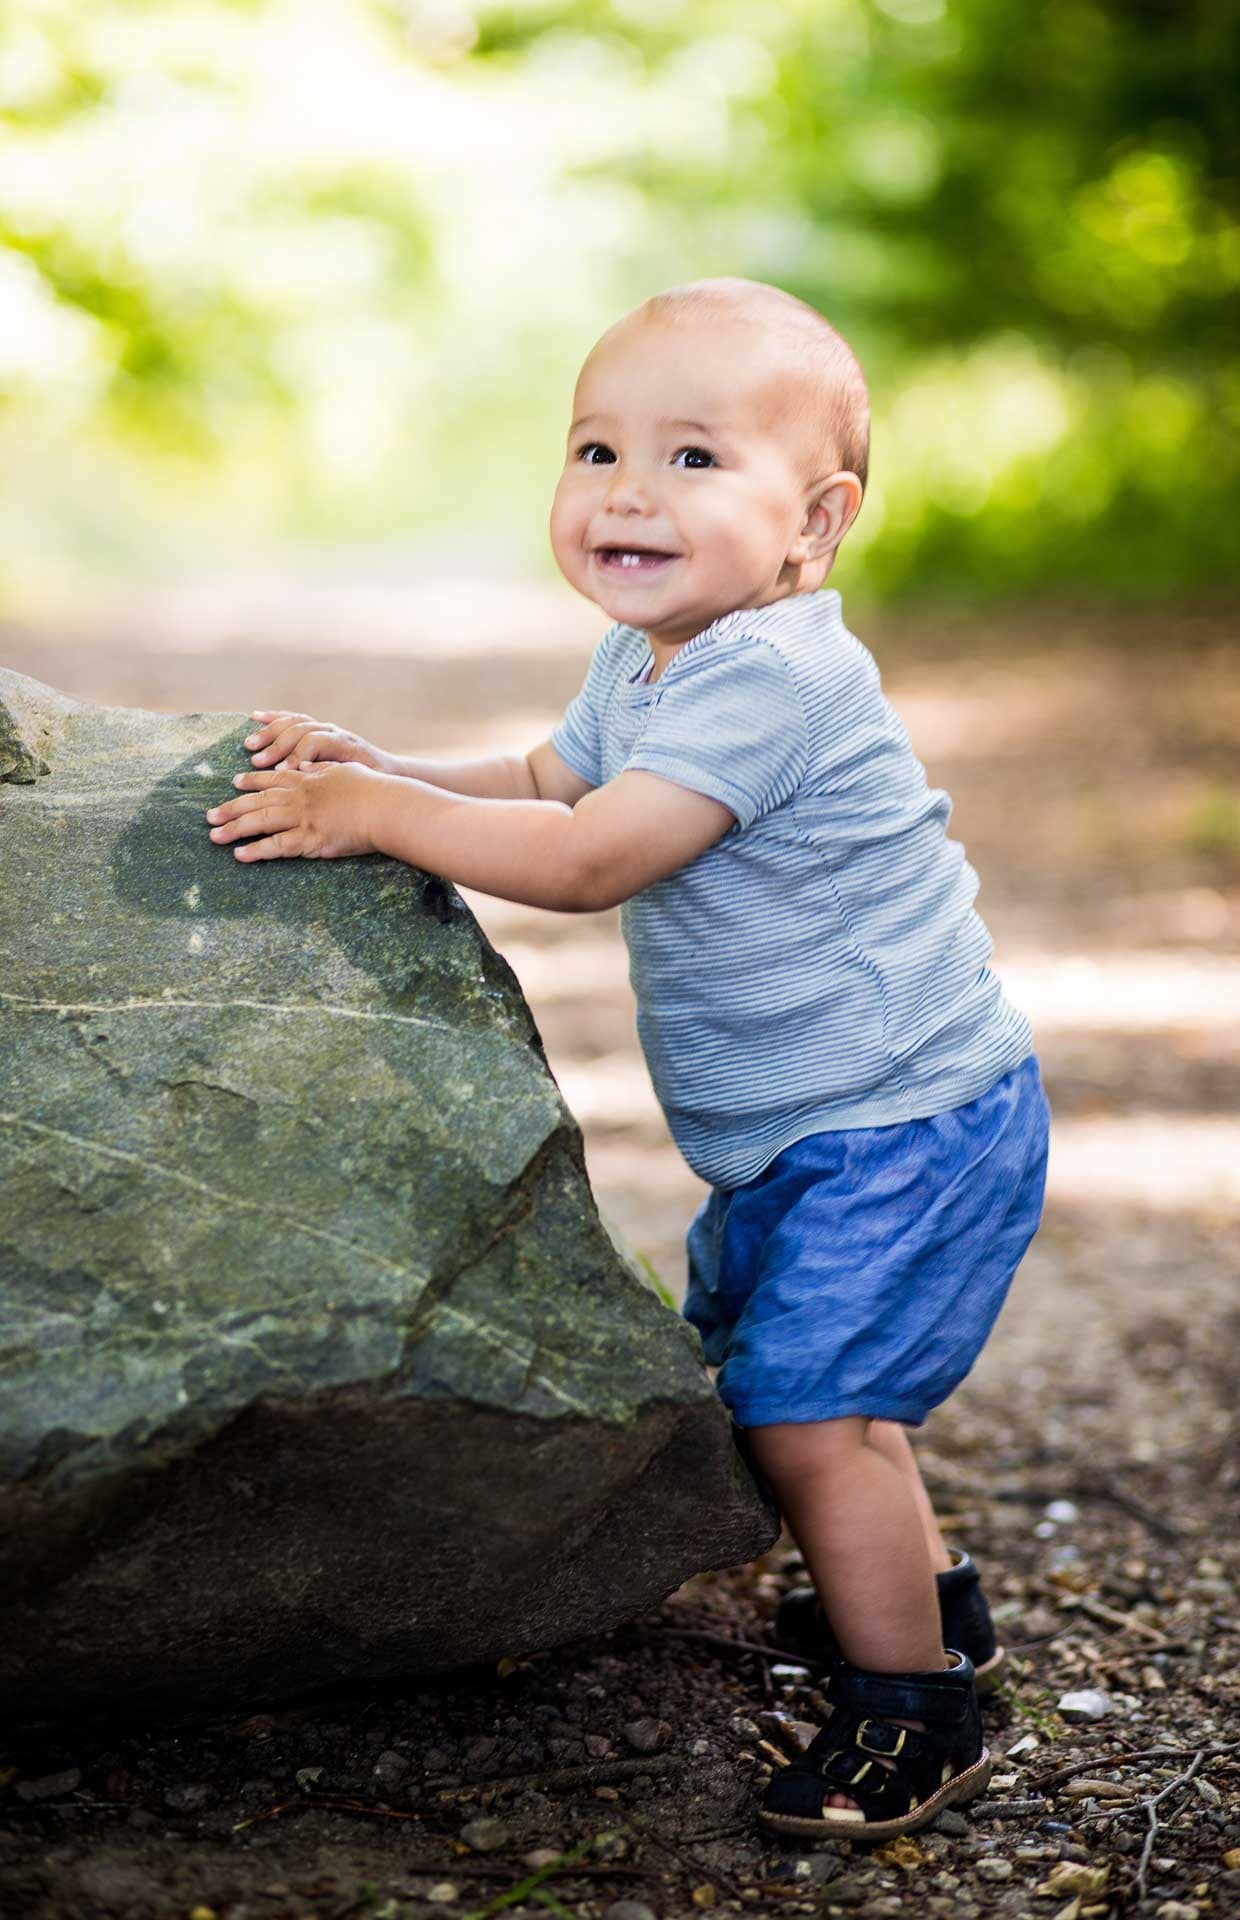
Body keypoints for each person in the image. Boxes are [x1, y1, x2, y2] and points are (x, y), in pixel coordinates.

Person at [204, 275, 1051, 1841]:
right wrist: (385, 766)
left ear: (815, 523)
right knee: (792, 1386)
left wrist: (376, 822)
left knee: (812, 1411)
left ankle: (915, 1711)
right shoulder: (657, 653)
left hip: (909, 1123)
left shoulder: (778, 676)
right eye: (596, 451)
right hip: (815, 1129)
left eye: (692, 459)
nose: (627, 492)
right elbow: (548, 776)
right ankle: (934, 1609)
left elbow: (596, 855)